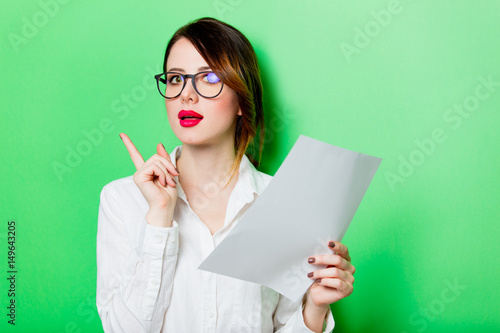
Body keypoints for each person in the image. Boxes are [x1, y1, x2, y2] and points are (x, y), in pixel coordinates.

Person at [96, 17, 355, 333]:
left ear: (241, 102)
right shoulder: (121, 200)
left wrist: (314, 308)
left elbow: (282, 324)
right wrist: (159, 218)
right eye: (176, 78)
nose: (186, 95)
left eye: (209, 77)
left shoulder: (284, 205)